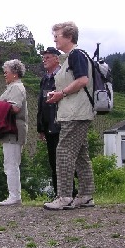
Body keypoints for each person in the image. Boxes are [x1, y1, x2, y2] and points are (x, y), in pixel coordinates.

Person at [43, 22, 96, 210]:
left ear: (69, 36)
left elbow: (83, 80)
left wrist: (61, 93)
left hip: (76, 112)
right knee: (81, 155)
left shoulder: (76, 56)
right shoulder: (69, 58)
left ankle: (64, 197)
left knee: (63, 151)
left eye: (57, 35)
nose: (54, 38)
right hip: (73, 112)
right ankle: (86, 195)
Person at [37, 47, 78, 199]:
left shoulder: (63, 77)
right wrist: (41, 127)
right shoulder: (45, 78)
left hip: (62, 124)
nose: (44, 60)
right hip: (49, 127)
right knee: (53, 162)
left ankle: (69, 193)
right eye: (43, 58)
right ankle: (59, 194)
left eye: (47, 57)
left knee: (64, 161)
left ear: (56, 58)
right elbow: (41, 104)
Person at [0, 59, 28, 206]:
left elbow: (15, 107)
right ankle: (13, 195)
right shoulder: (12, 87)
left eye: (7, 72)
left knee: (11, 163)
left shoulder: (16, 88)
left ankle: (14, 197)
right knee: (9, 163)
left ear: (15, 74)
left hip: (14, 129)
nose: (5, 75)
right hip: (12, 130)